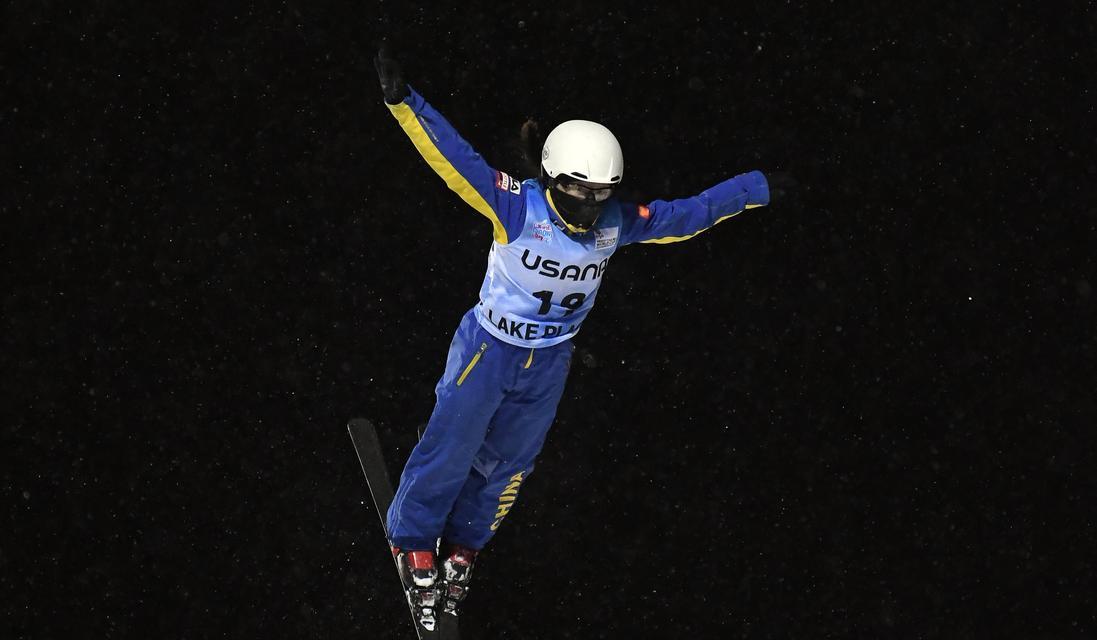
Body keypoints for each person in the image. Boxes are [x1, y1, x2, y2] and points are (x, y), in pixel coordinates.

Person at [373, 47, 770, 631]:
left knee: (510, 464)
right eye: (578, 193)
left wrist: (755, 187)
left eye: (600, 194)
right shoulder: (515, 205)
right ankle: (413, 540)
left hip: (549, 361)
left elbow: (688, 215)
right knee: (453, 444)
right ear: (553, 179)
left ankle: (464, 547)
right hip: (489, 348)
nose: (588, 207)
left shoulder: (617, 221)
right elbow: (454, 159)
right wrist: (406, 103)